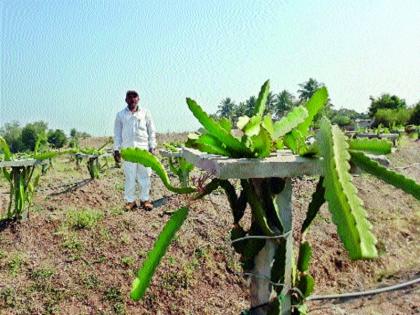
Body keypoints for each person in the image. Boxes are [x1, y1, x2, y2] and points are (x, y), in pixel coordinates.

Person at [113, 90, 157, 211]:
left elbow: (151, 130)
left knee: (145, 175)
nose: (132, 99)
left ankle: (145, 200)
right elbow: (117, 134)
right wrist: (116, 149)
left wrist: (152, 146)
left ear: (138, 99)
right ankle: (130, 201)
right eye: (129, 97)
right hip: (128, 150)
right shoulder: (120, 115)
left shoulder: (145, 113)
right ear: (126, 99)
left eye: (135, 96)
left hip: (143, 149)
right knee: (129, 176)